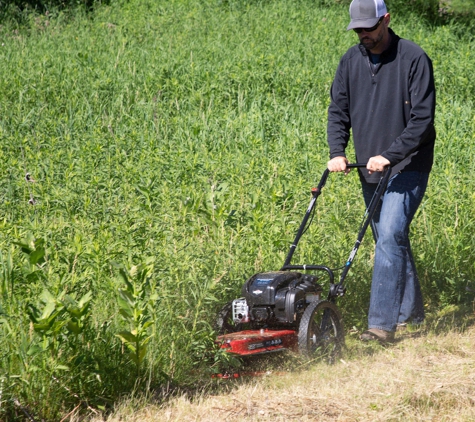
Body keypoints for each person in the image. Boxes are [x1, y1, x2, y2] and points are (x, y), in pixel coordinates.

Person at [326, 0, 436, 343]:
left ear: (386, 20)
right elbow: (338, 111)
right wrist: (337, 152)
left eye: (369, 29)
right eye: (358, 30)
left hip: (407, 164)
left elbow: (422, 121)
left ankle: (381, 326)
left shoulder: (414, 59)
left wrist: (389, 155)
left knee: (388, 235)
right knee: (390, 238)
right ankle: (410, 314)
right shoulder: (350, 61)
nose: (364, 36)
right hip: (368, 167)